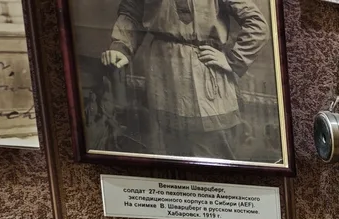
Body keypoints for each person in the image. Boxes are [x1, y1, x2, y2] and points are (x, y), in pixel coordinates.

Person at [100, 0, 271, 161]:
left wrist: (233, 60)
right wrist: (121, 47)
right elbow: (132, 12)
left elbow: (257, 24)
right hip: (162, 76)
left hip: (204, 77)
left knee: (213, 156)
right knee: (166, 154)